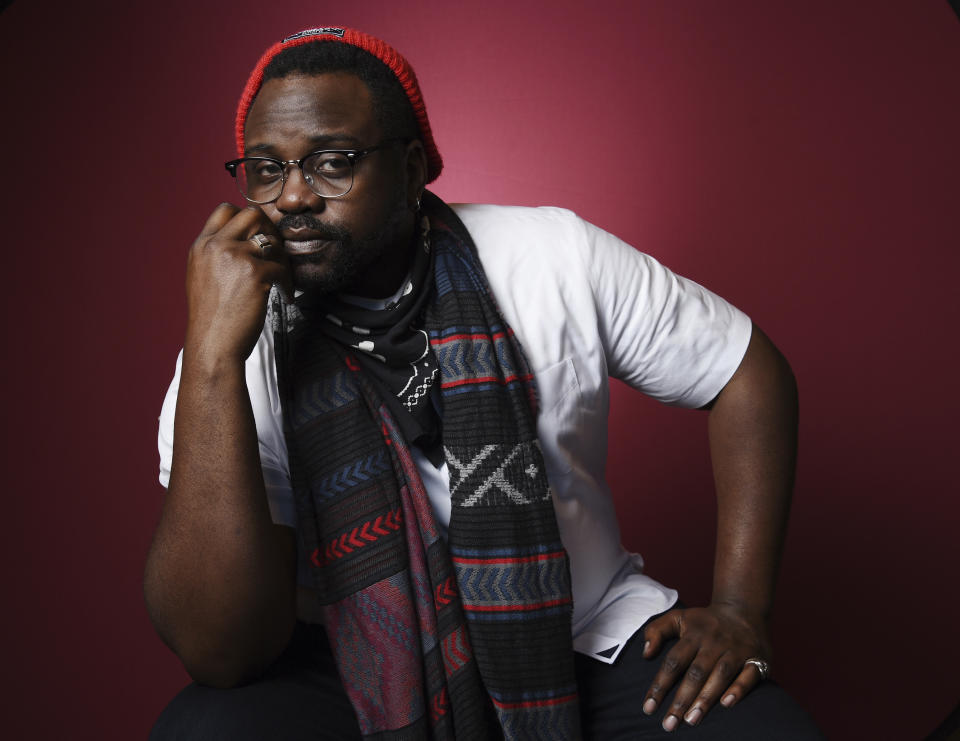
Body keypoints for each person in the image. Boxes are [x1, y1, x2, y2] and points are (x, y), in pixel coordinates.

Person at [146, 27, 824, 740]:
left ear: (411, 170)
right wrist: (215, 357)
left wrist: (742, 608)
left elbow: (747, 371)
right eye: (264, 168)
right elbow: (218, 649)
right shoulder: (238, 328)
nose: (291, 198)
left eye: (332, 163)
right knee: (202, 728)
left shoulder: (552, 255)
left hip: (577, 637)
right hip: (359, 658)